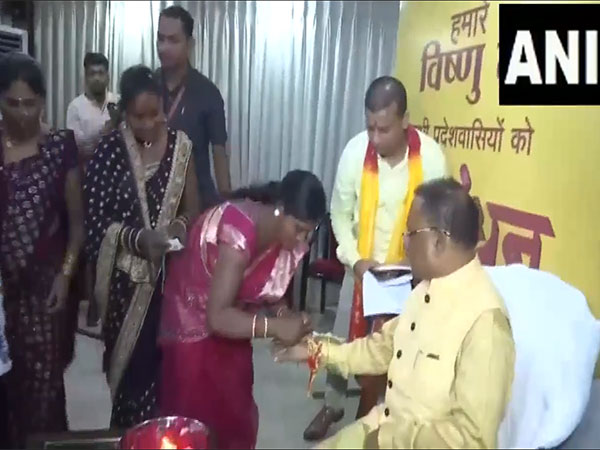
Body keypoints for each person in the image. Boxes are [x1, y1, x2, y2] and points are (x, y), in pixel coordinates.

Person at [277, 178, 516, 449]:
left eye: (411, 234)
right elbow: (378, 350)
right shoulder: (423, 293)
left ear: (438, 241)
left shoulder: (485, 324)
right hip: (384, 427)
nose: (405, 244)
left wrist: (388, 440)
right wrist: (315, 350)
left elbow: (471, 441)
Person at [304, 76, 448, 440]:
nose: (375, 138)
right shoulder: (355, 153)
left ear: (405, 121)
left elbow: (437, 219)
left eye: (384, 129)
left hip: (410, 277)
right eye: (370, 127)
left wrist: (419, 269)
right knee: (344, 346)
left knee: (399, 352)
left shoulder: (431, 158)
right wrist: (355, 261)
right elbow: (339, 214)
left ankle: (379, 414)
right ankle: (331, 407)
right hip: (362, 270)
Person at [159, 170, 326, 449]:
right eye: (298, 229)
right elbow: (217, 317)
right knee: (195, 425)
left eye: (309, 234)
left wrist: (285, 316)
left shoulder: (283, 236)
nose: (302, 242)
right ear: (279, 209)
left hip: (232, 319)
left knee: (235, 411)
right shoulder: (238, 230)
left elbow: (268, 288)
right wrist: (275, 328)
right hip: (191, 323)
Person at [84, 64, 201, 428]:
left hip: (169, 286)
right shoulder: (109, 151)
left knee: (166, 379)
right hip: (123, 288)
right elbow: (95, 222)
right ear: (124, 113)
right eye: (139, 116)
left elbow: (192, 207)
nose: (149, 123)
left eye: (156, 114)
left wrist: (176, 229)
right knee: (129, 380)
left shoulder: (181, 147)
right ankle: (129, 435)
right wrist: (138, 239)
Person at [0, 53, 84, 447]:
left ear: (44, 101)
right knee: (7, 391)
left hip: (44, 293)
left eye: (29, 103)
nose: (21, 113)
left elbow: (77, 226)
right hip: (2, 298)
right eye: (12, 104)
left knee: (42, 393)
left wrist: (65, 277)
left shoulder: (57, 148)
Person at [155, 5, 231, 209]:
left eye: (173, 40)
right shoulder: (148, 86)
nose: (163, 47)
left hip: (196, 202)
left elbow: (219, 154)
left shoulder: (207, 93)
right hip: (153, 201)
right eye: (160, 38)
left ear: (189, 44)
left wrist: (227, 206)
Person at [67, 52, 119, 327]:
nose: (98, 77)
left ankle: (111, 299)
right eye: (93, 73)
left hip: (116, 182)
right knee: (91, 243)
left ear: (108, 74)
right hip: (87, 182)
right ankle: (92, 304)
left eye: (102, 72)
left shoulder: (117, 102)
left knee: (114, 239)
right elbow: (75, 149)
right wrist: (105, 132)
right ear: (85, 76)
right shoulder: (76, 107)